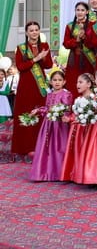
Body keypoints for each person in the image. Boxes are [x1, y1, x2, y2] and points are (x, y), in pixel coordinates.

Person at [12, 21, 54, 154]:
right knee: (26, 113)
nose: (34, 32)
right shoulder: (21, 48)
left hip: (40, 86)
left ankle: (40, 146)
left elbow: (49, 66)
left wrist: (44, 57)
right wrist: (35, 59)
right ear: (26, 33)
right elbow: (20, 67)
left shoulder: (44, 46)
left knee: (40, 113)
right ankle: (25, 147)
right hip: (26, 86)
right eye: (31, 30)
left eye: (36, 30)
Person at [29, 69, 72, 182]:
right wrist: (38, 110)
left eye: (59, 80)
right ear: (51, 82)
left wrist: (59, 113)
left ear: (64, 81)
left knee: (59, 148)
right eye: (54, 80)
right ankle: (45, 173)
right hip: (48, 124)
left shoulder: (66, 94)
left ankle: (60, 173)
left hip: (60, 125)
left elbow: (67, 109)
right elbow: (47, 108)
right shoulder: (50, 94)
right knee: (46, 148)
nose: (57, 82)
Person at [61, 73, 96, 183]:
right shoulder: (78, 98)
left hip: (86, 130)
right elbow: (76, 114)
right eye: (77, 82)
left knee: (85, 152)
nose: (77, 84)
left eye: (81, 82)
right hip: (76, 129)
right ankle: (75, 174)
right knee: (75, 151)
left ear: (89, 84)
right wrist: (69, 118)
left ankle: (84, 176)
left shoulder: (94, 98)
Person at [62, 1, 95, 97]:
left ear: (87, 12)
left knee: (89, 82)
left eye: (82, 10)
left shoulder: (92, 25)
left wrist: (85, 36)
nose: (79, 12)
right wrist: (76, 40)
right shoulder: (70, 26)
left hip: (88, 58)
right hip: (74, 59)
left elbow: (94, 42)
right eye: (77, 10)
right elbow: (66, 43)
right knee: (73, 83)